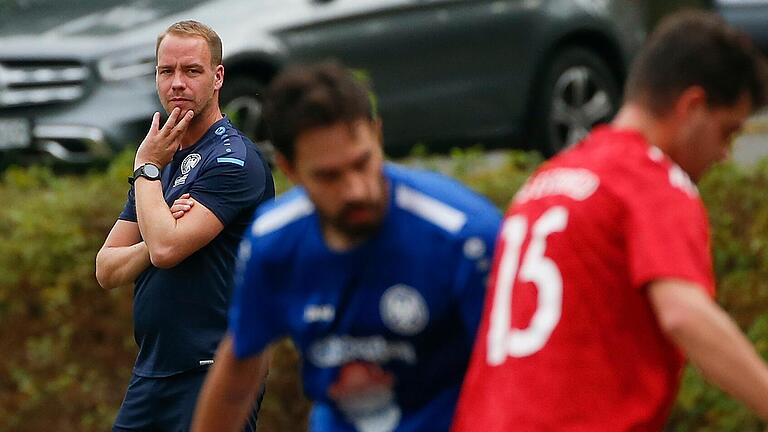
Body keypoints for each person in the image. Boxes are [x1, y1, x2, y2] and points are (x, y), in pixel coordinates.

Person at [451, 10, 768, 431]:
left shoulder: (547, 181)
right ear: (692, 106)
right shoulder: (651, 180)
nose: (724, 155)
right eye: (726, 132)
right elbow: (683, 313)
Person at [190, 62, 501, 432]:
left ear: (377, 136)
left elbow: (516, 378)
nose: (355, 190)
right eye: (329, 176)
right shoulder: (273, 243)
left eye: (362, 163)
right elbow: (238, 373)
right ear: (290, 169)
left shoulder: (464, 236)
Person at [94, 20, 274, 431]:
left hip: (213, 370)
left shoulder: (235, 159)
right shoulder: (161, 162)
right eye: (166, 71)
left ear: (218, 76)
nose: (177, 83)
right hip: (152, 370)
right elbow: (106, 268)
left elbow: (167, 250)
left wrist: (147, 174)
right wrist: (152, 183)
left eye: (191, 71)